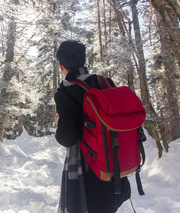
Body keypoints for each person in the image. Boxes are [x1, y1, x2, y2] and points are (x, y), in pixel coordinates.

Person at [54, 40, 131, 213]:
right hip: (114, 164)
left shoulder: (65, 91)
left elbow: (67, 138)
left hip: (88, 172)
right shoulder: (105, 82)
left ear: (61, 65)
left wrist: (60, 122)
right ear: (85, 60)